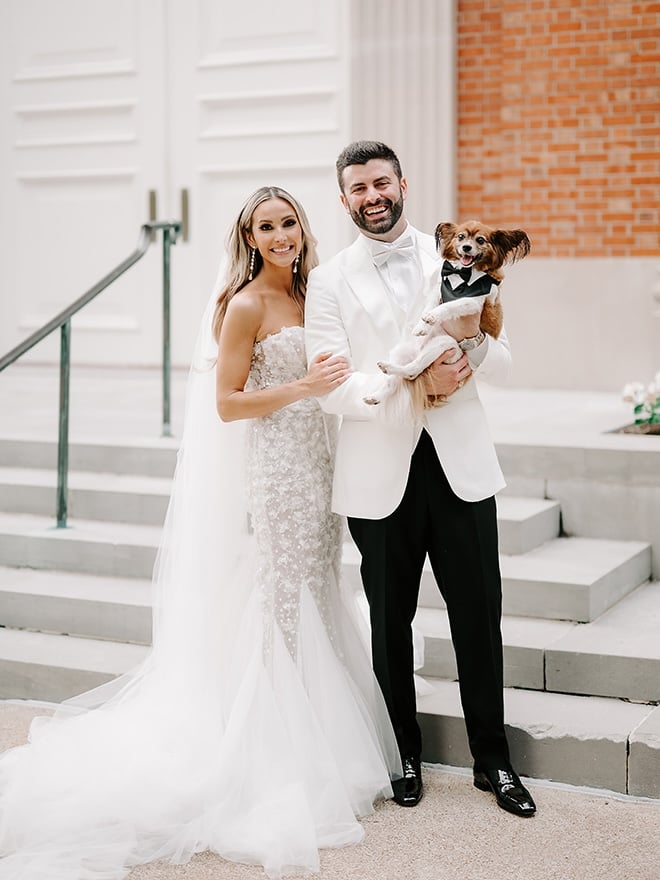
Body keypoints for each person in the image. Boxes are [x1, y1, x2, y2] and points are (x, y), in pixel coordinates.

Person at [0, 186, 400, 880]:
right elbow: (226, 404)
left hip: (321, 466)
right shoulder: (243, 305)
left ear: (305, 228)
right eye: (265, 227)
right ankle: (276, 748)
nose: (280, 235)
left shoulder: (319, 295)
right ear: (249, 237)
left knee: (318, 587)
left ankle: (328, 737)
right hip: (276, 469)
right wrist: (303, 389)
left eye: (288, 223)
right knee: (281, 598)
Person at [304, 141, 536, 817]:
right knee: (389, 623)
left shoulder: (460, 252)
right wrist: (411, 378)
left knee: (478, 618)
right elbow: (331, 387)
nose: (372, 195)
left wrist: (467, 352)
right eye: (358, 187)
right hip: (381, 470)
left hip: (460, 469)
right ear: (344, 199)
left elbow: (504, 358)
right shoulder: (328, 280)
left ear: (403, 184)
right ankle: (401, 753)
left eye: (382, 182)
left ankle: (494, 762)